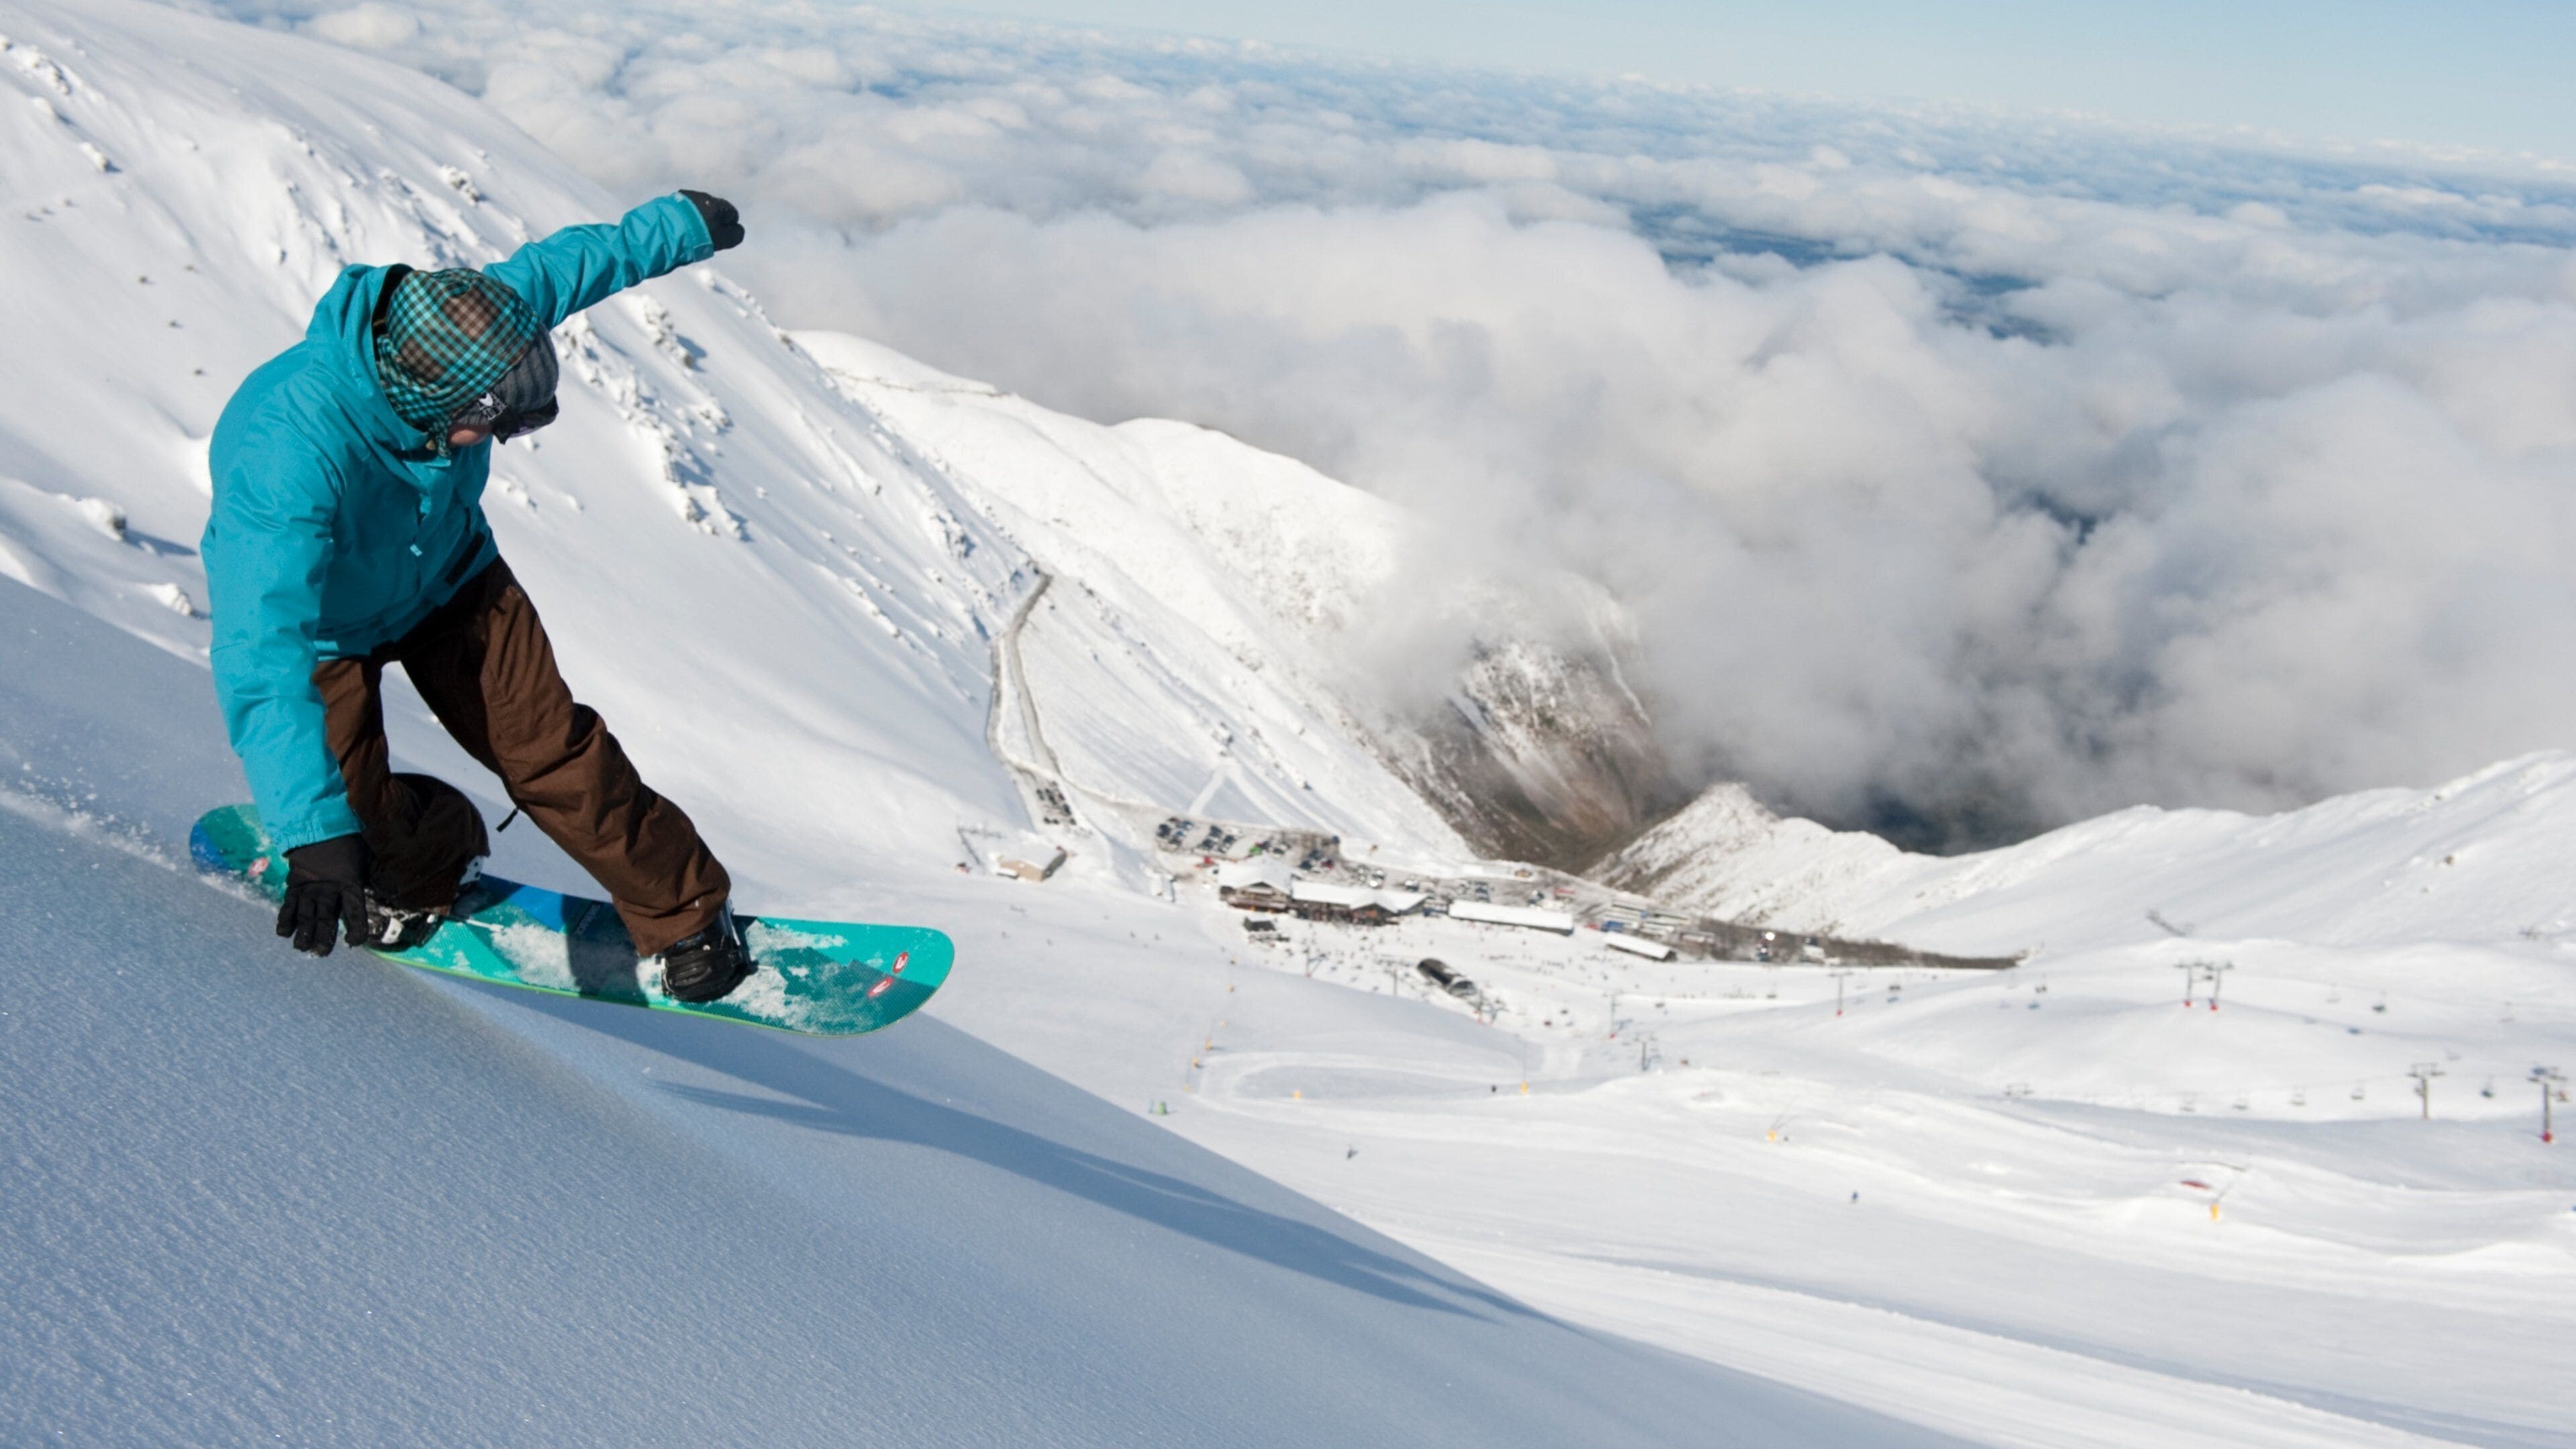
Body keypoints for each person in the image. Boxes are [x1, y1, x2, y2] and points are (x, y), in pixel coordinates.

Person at [203, 189, 756, 1004]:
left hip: (453, 582)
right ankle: (423, 856)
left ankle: (687, 915)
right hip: (326, 632)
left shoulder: (467, 327)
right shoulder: (286, 456)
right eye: (494, 425)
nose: (501, 442)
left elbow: (562, 268)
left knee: (551, 753)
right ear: (430, 402)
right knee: (349, 809)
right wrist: (314, 836)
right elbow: (261, 651)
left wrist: (677, 226)